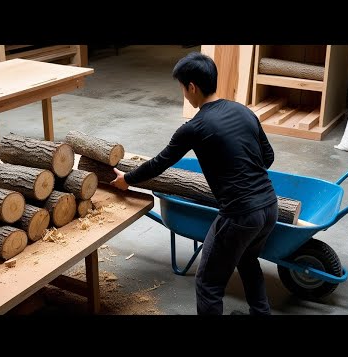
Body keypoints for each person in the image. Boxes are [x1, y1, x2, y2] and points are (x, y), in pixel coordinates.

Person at [110, 52, 278, 316]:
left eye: (182, 88)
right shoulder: (243, 111)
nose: (184, 95)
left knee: (208, 283)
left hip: (239, 215)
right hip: (270, 206)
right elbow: (268, 157)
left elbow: (159, 163)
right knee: (247, 260)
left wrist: (127, 179)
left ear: (192, 86)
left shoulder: (194, 127)